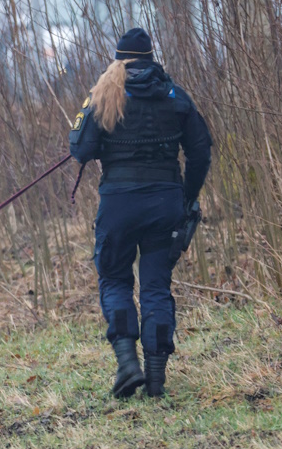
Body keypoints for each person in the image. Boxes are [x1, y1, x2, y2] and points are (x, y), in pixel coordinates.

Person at [69, 28, 212, 398]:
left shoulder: (103, 95)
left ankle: (127, 363)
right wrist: (186, 197)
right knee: (155, 287)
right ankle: (156, 377)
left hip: (118, 204)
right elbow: (201, 151)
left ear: (119, 59)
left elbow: (80, 150)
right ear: (151, 57)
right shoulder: (176, 96)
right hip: (165, 203)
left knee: (114, 279)